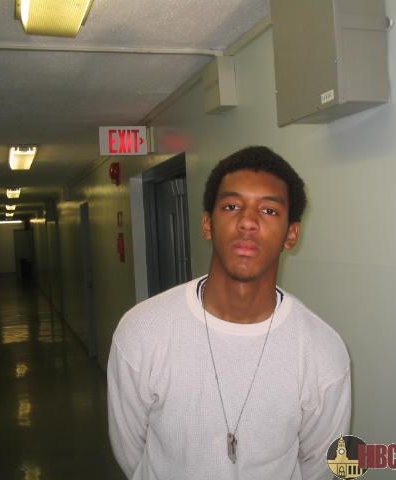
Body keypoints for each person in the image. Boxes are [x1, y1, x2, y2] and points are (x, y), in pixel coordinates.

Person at [107, 146, 351, 479]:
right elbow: (131, 453)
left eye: (269, 210)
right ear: (208, 224)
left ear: (291, 235)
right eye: (232, 206)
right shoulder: (142, 331)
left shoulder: (323, 350)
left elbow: (320, 467)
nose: (248, 222)